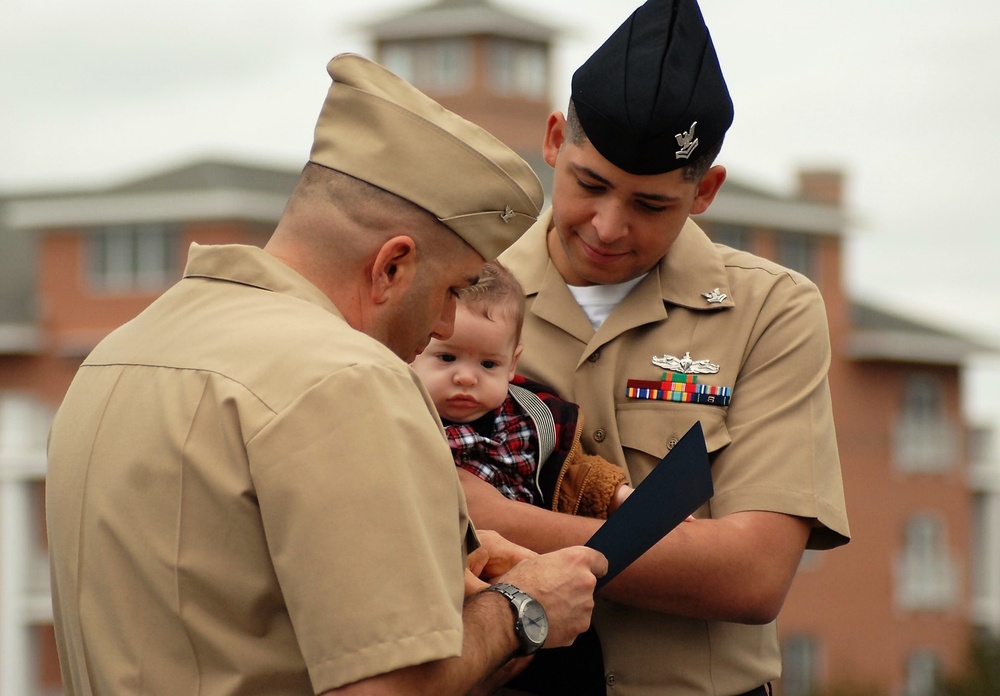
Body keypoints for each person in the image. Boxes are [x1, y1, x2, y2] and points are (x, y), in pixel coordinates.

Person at [45, 53, 607, 696]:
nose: (448, 323)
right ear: (392, 266)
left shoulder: (120, 351)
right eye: (452, 287)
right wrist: (521, 610)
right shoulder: (346, 377)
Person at [456, 1, 853, 695]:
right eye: (590, 185)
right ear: (554, 139)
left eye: (651, 205)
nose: (609, 226)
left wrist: (490, 520)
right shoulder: (460, 290)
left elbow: (753, 577)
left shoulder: (772, 310)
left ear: (705, 191)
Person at [411, 260, 633, 520]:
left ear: (512, 364)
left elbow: (573, 475)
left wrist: (623, 496)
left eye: (488, 364)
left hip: (535, 550)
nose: (467, 378)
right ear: (414, 349)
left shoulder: (533, 418)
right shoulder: (402, 418)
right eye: (447, 358)